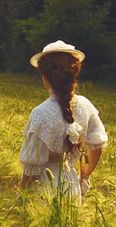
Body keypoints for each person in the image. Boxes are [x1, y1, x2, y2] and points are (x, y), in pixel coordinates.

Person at [20, 40, 108, 204]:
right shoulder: (86, 105)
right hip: (72, 186)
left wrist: (21, 197)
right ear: (74, 75)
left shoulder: (40, 114)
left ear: (45, 78)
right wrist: (84, 176)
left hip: (44, 190)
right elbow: (97, 146)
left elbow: (32, 169)